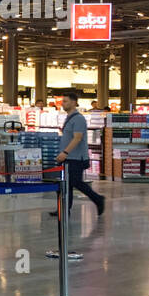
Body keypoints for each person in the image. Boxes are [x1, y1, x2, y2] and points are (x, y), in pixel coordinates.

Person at [52, 89, 105, 218]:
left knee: (75, 182)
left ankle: (98, 199)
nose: (62, 104)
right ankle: (64, 209)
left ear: (74, 103)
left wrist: (65, 152)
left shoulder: (79, 119)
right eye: (62, 101)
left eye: (65, 101)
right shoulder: (69, 118)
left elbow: (78, 137)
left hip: (76, 158)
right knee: (67, 183)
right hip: (69, 157)